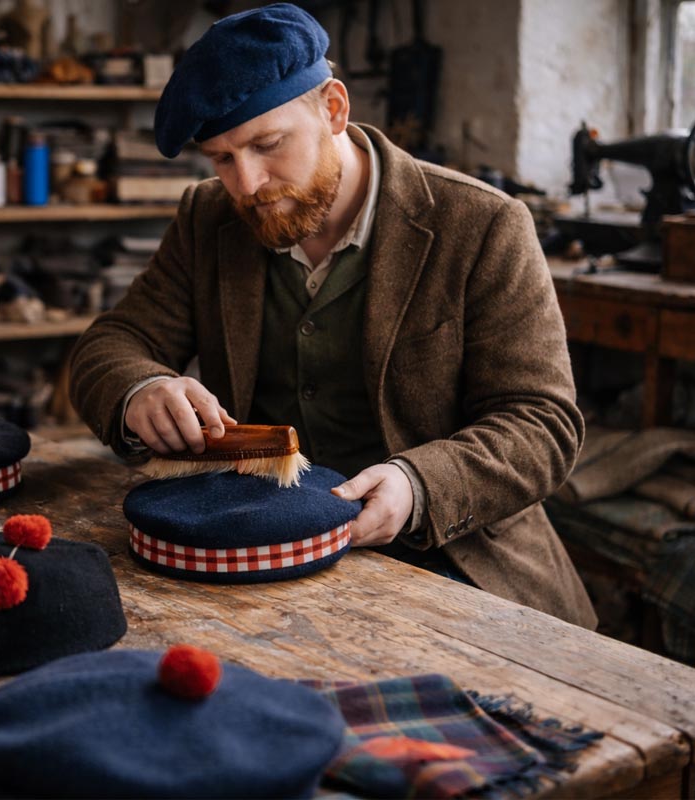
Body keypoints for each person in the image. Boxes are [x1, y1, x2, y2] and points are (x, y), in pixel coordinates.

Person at [69, 3, 596, 628]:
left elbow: (543, 422)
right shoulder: (209, 218)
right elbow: (113, 343)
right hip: (265, 556)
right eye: (221, 158)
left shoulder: (483, 225)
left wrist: (419, 485)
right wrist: (141, 389)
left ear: (334, 109)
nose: (248, 184)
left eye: (267, 144)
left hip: (453, 556)